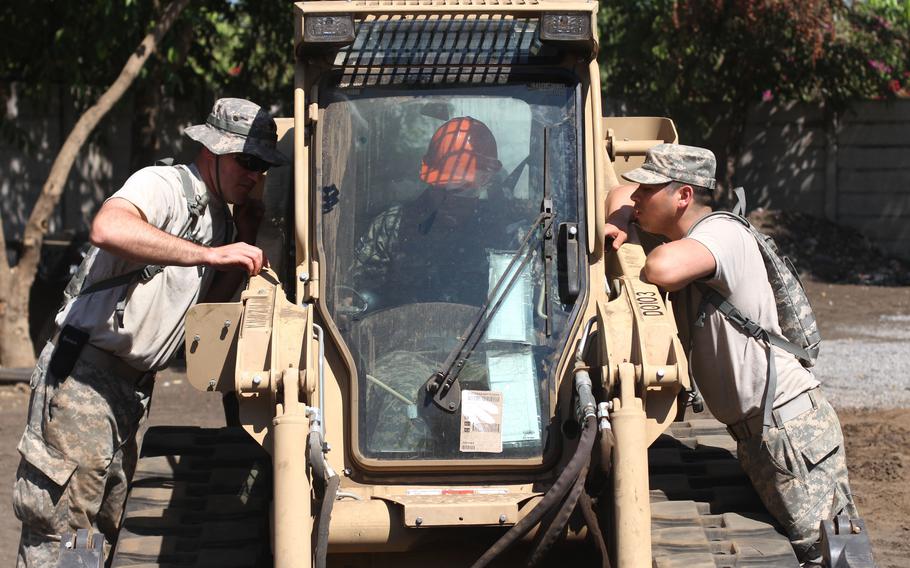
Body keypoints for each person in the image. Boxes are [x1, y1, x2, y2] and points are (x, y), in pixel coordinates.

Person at [12, 97, 288, 567]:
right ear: (213, 151)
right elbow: (107, 226)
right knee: (62, 536)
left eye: (263, 165)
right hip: (83, 382)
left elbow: (203, 311)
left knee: (97, 535)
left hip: (129, 393)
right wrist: (210, 254)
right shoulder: (164, 185)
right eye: (247, 161)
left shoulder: (220, 217)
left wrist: (239, 237)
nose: (255, 174)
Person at [605, 143, 858, 566]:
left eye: (649, 191)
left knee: (832, 555)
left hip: (790, 429)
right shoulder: (686, 233)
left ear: (682, 196)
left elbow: (661, 269)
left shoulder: (721, 232)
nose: (637, 199)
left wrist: (630, 237)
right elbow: (617, 195)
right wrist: (620, 220)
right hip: (761, 434)